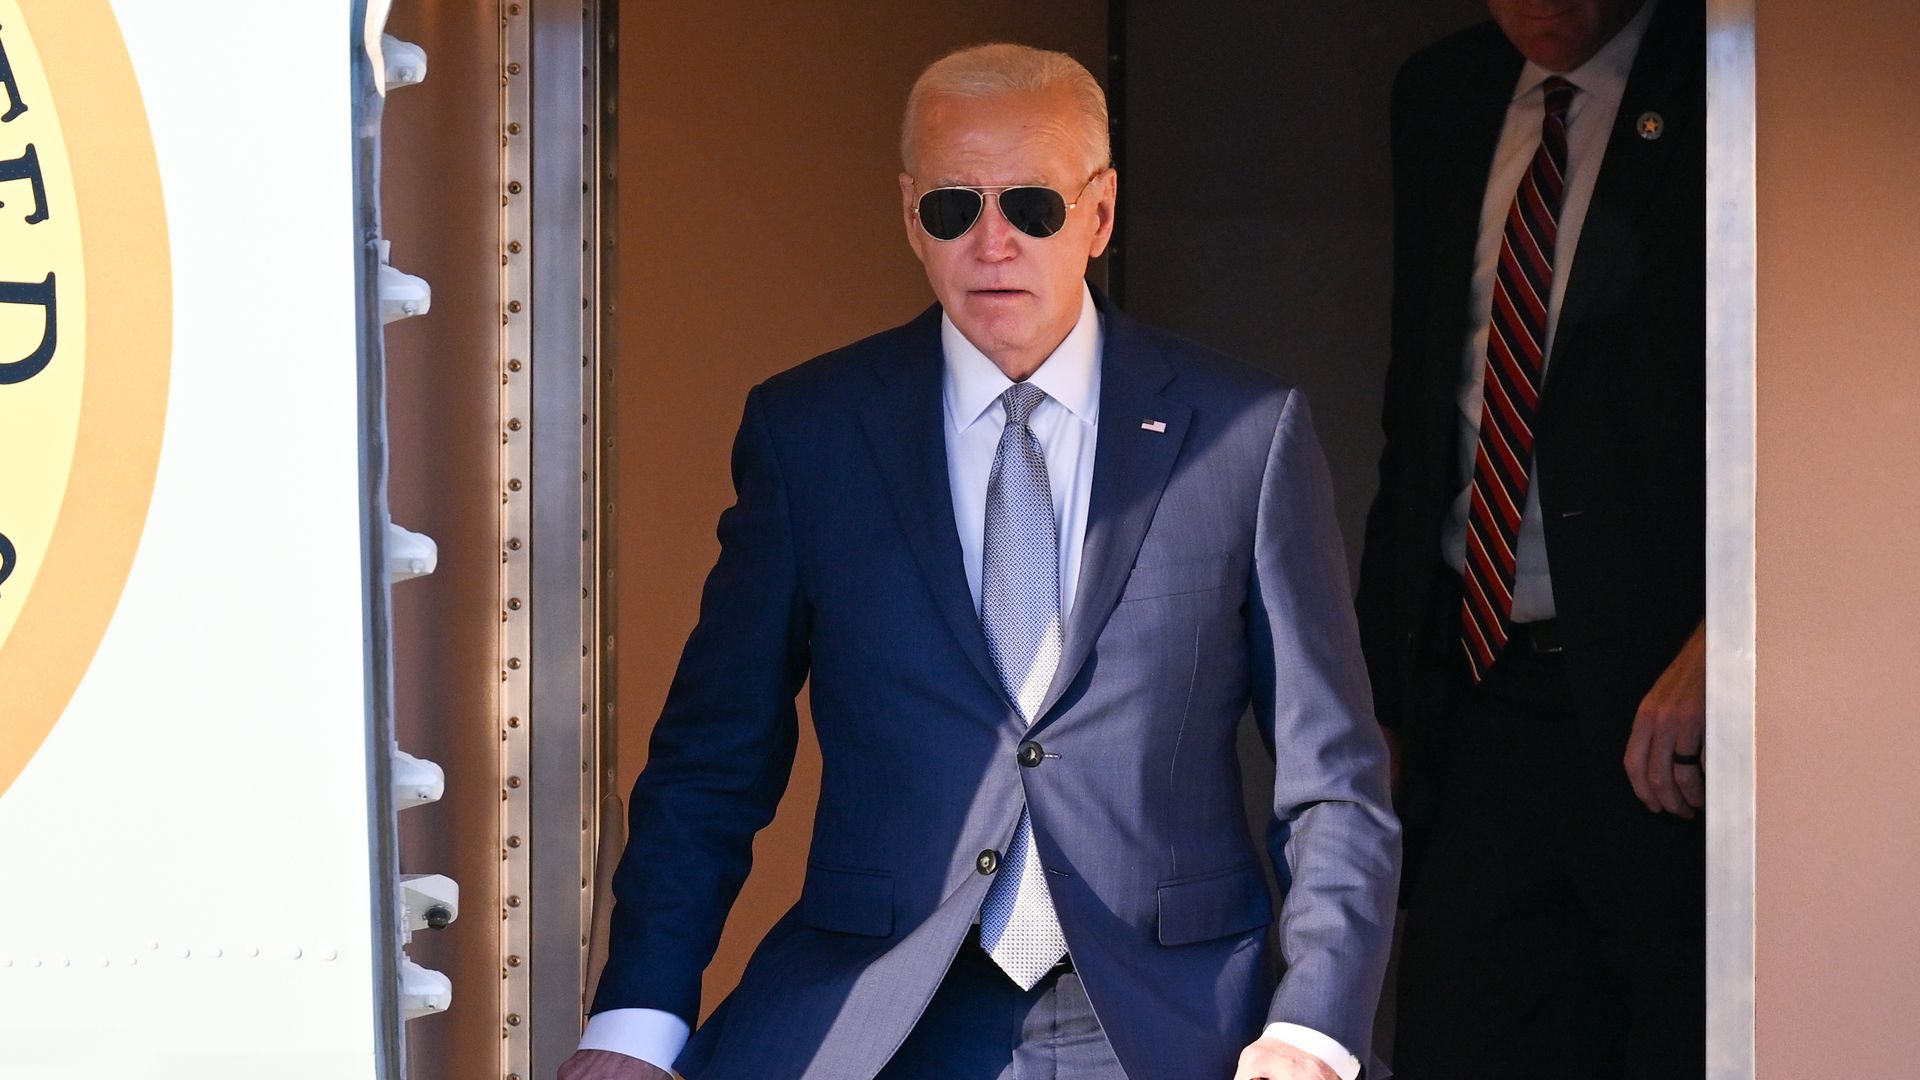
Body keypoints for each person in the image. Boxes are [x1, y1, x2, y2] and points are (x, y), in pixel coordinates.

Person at [559, 43, 1399, 1080]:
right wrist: (634, 1027)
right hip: (879, 1013)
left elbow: (1333, 783)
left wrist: (1312, 1030)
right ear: (910, 214)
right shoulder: (810, 434)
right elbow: (712, 760)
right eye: (956, 207)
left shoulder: (1243, 435)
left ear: (1099, 213)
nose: (993, 241)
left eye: (1034, 207)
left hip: (1162, 1018)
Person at [1356, 1, 1705, 1077]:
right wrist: (1383, 705)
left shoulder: (1733, 69)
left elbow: (1826, 396)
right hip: (1480, 700)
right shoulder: (1443, 95)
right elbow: (1419, 414)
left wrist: (1737, 630)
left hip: (1664, 711)